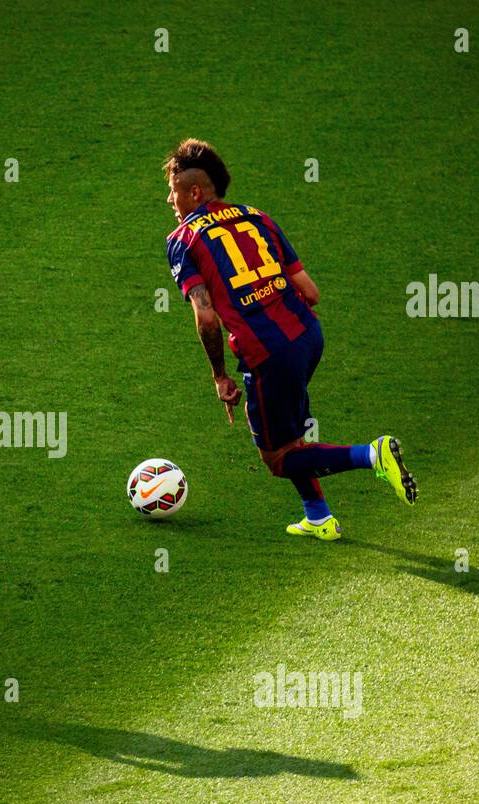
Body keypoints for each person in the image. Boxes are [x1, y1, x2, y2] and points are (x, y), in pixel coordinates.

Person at [163, 140, 417, 540]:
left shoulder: (183, 239)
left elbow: (206, 317)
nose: (169, 199)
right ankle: (318, 516)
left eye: (174, 190)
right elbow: (311, 292)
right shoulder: (257, 216)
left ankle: (373, 454)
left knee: (279, 458)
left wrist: (219, 376)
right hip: (308, 336)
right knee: (292, 433)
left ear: (194, 192)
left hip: (268, 353)